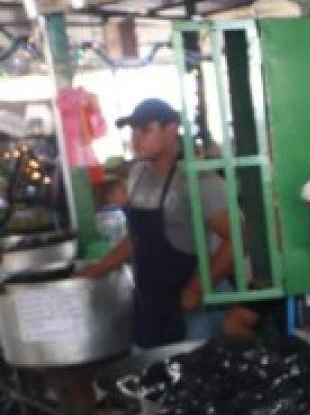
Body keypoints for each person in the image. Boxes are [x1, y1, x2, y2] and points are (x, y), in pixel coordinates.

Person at [79, 98, 235, 349]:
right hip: (152, 301)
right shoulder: (138, 175)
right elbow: (137, 236)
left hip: (194, 305)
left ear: (171, 129)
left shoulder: (199, 180)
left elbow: (237, 240)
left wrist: (197, 289)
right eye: (133, 131)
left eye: (145, 130)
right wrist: (101, 267)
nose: (136, 139)